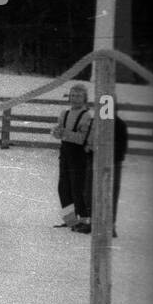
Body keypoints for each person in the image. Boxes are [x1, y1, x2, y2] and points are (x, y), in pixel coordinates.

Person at [51, 83, 94, 231]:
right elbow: (59, 134)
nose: (75, 99)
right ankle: (70, 221)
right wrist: (56, 132)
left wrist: (65, 133)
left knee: (78, 189)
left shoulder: (86, 115)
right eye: (73, 95)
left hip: (78, 156)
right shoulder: (65, 113)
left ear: (85, 98)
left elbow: (82, 138)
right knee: (63, 188)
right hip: (65, 154)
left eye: (78, 96)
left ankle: (83, 221)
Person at [82, 112, 127, 237]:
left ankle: (110, 225)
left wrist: (103, 151)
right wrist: (88, 148)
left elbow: (121, 148)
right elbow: (87, 139)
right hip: (94, 160)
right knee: (89, 192)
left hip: (113, 163)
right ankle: (91, 221)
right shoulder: (95, 121)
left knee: (111, 194)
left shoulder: (119, 124)